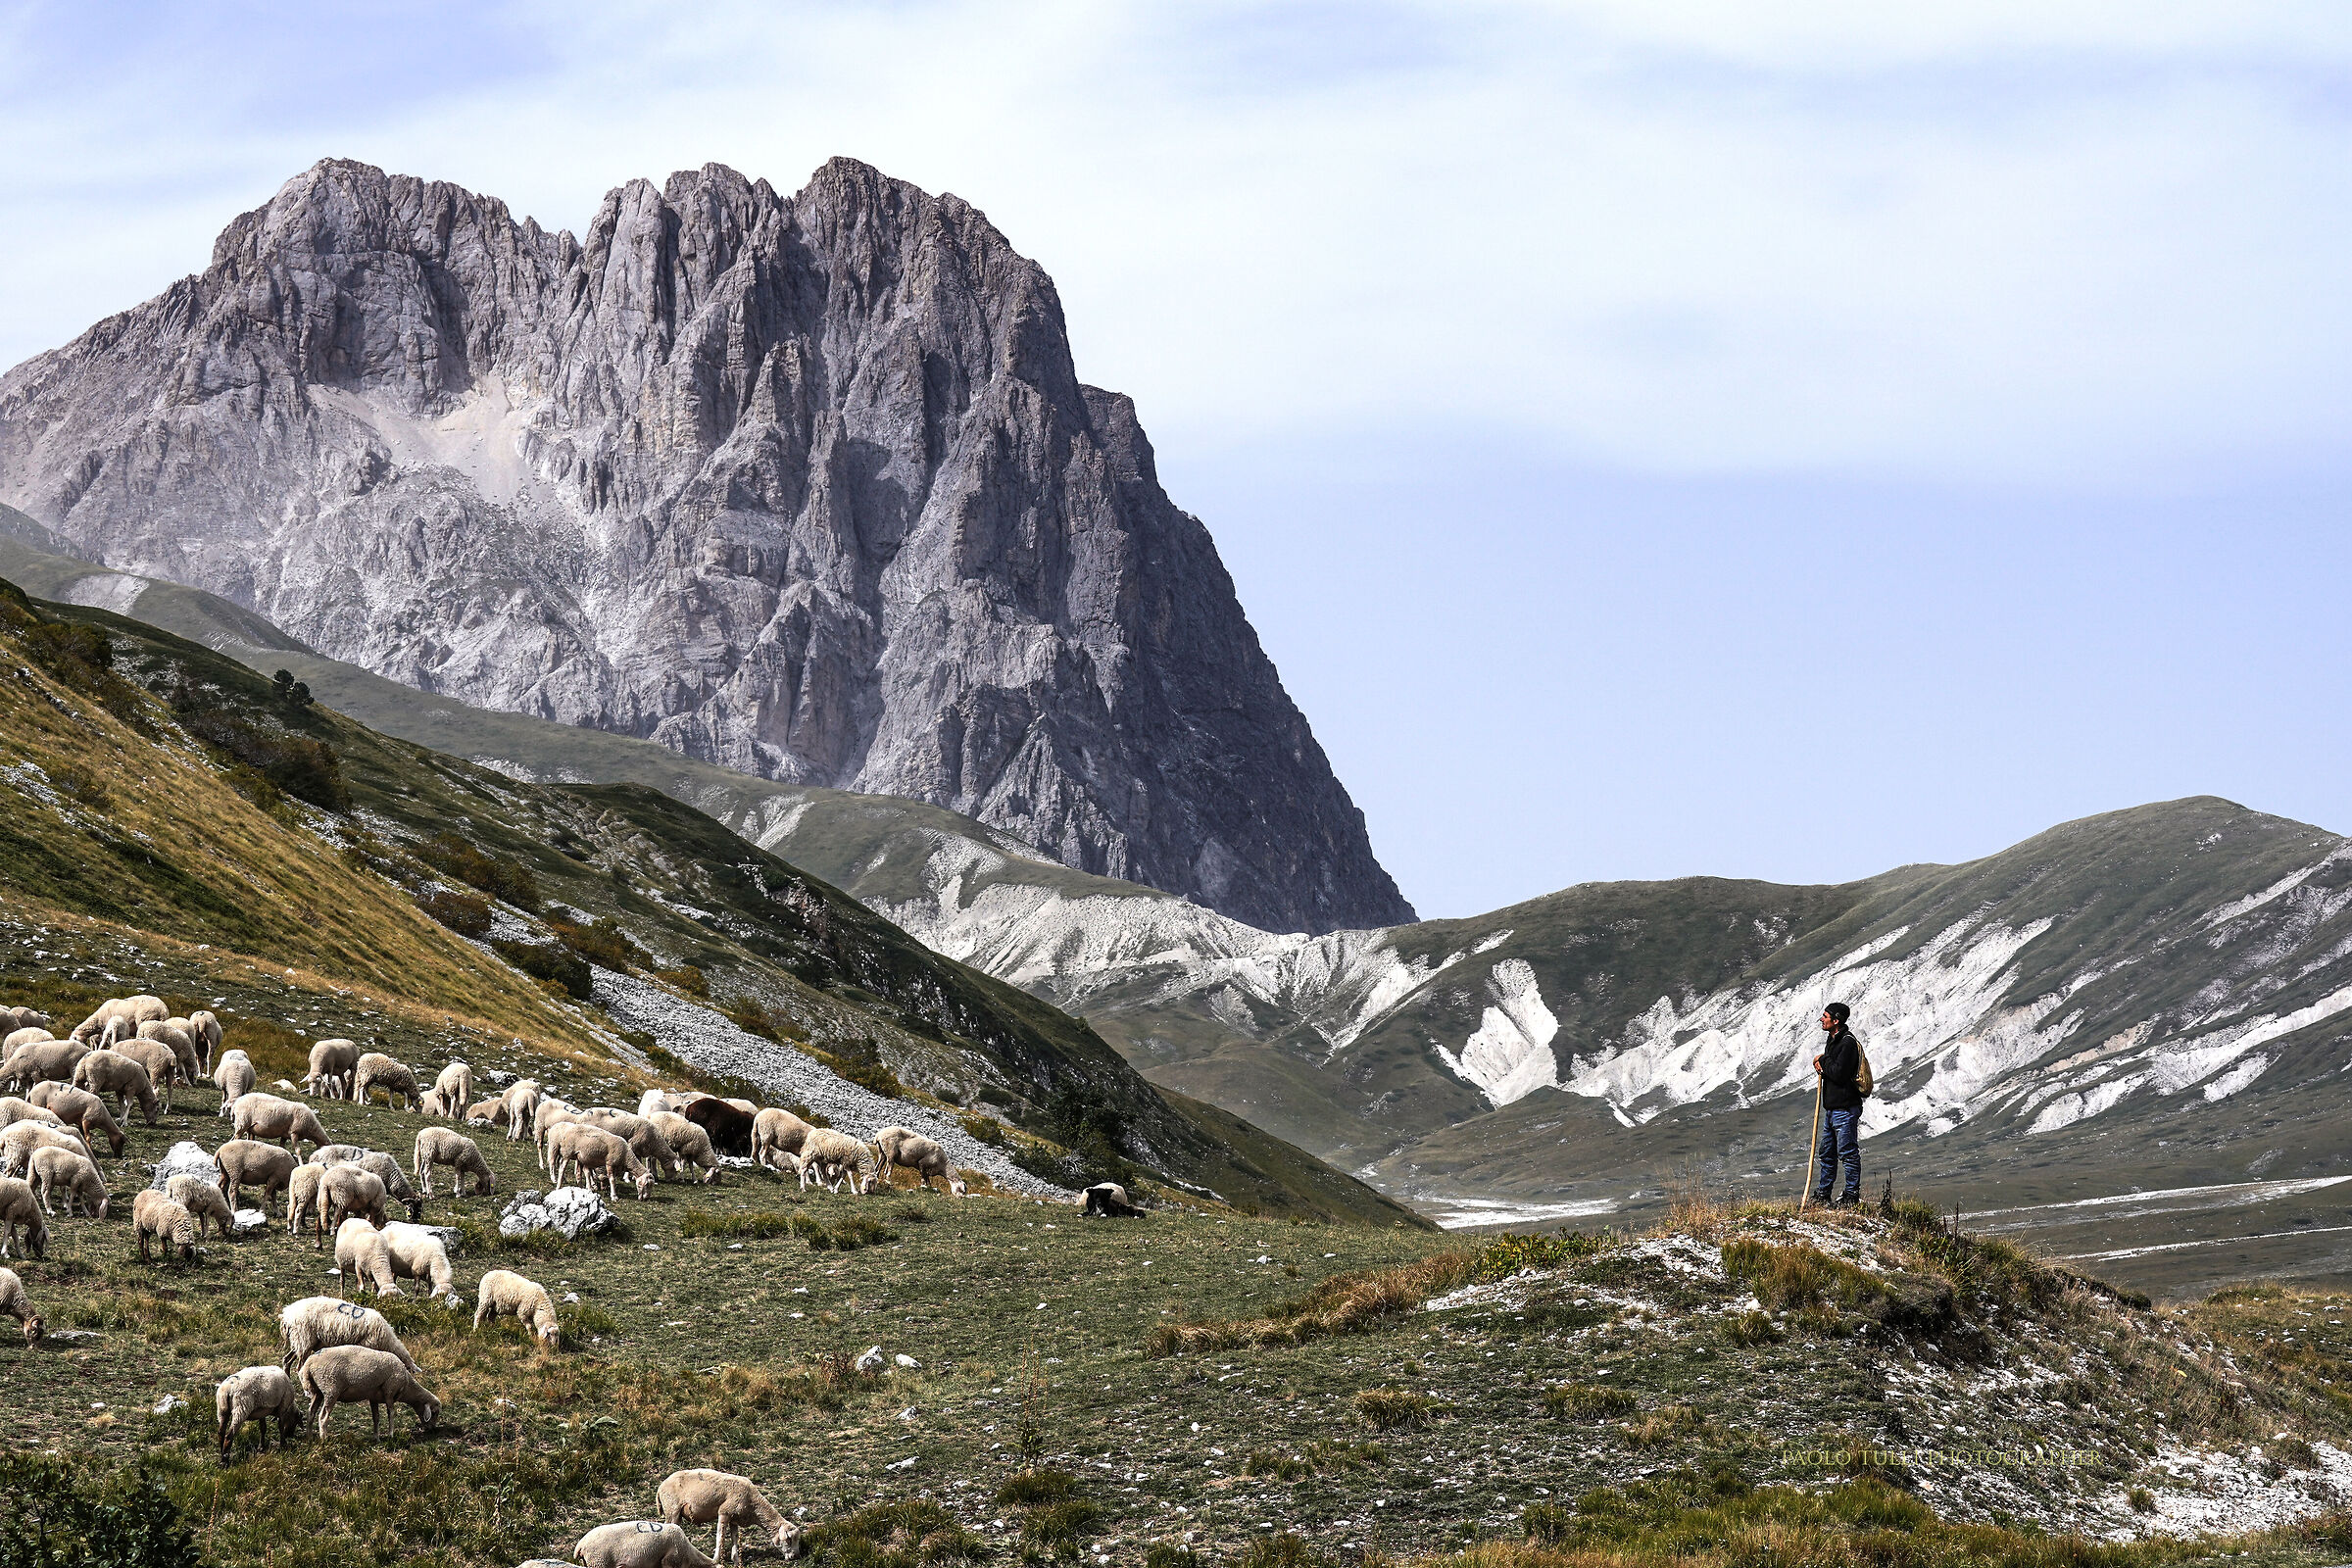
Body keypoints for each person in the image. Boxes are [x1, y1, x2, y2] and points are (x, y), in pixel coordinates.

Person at [1811, 1002, 1863, 1206]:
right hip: (1832, 1108)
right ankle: (1823, 1194)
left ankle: (1851, 1195)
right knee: (1827, 1153)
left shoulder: (1848, 1043)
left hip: (1845, 1108)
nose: (1821, 1019)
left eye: (1825, 1016)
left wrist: (1822, 1062)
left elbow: (1839, 1074)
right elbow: (1830, 1067)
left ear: (1836, 1020)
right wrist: (1823, 1062)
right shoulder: (1832, 1041)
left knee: (1848, 1153)